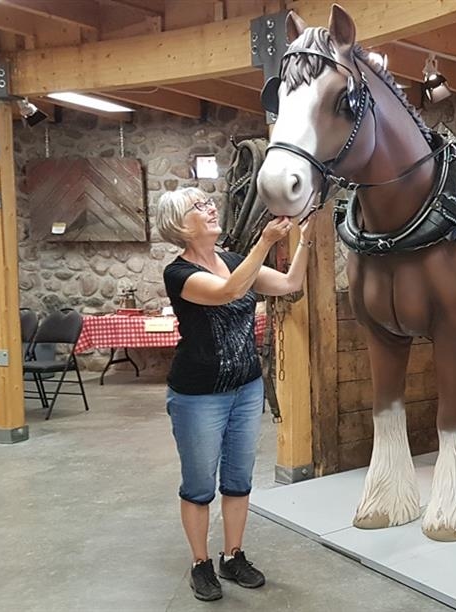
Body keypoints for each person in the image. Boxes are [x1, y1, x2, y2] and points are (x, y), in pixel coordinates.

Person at [155, 187, 311, 601]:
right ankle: (200, 563)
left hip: (246, 388)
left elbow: (289, 283)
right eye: (198, 206)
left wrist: (307, 239)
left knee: (239, 480)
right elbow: (229, 292)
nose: (210, 208)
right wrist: (265, 241)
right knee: (199, 485)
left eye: (209, 202)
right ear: (179, 226)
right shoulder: (178, 273)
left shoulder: (232, 260)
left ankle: (233, 555)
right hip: (198, 396)